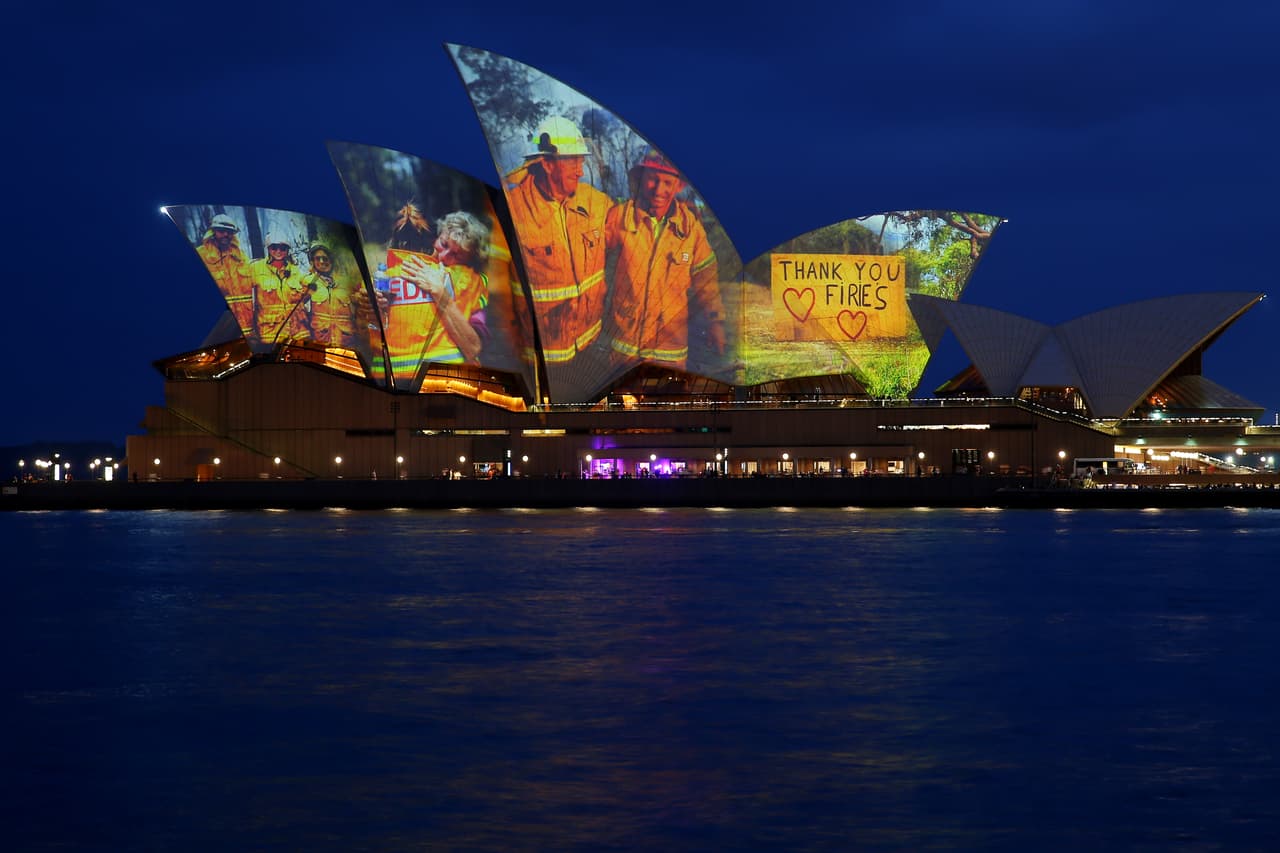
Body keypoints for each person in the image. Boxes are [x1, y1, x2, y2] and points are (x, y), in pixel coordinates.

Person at [504, 116, 610, 369]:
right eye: (573, 161)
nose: (581, 171)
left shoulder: (595, 202)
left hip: (589, 345)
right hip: (542, 359)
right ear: (548, 164)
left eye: (582, 161)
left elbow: (629, 226)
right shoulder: (512, 210)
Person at [604, 149, 724, 371]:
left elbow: (706, 282)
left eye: (667, 182)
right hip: (624, 350)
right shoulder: (620, 217)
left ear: (678, 187)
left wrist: (715, 322)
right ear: (642, 178)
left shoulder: (691, 230)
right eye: (653, 180)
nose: (659, 190)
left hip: (670, 353)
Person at [376, 205, 492, 387]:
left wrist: (440, 293)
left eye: (456, 255)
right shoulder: (392, 272)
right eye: (443, 244)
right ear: (436, 236)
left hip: (450, 384)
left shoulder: (471, 284)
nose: (444, 256)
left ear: (469, 262)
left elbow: (473, 348)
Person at [196, 214, 255, 337]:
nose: (226, 235)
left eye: (229, 232)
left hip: (245, 327)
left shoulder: (240, 255)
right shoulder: (201, 254)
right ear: (213, 231)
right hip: (218, 325)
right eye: (221, 231)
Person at [249, 234, 311, 345]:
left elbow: (308, 291)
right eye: (274, 247)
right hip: (270, 333)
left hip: (298, 333)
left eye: (283, 248)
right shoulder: (255, 268)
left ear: (287, 250)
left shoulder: (295, 270)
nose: (278, 251)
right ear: (268, 248)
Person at [304, 241, 358, 349]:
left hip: (345, 342)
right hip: (320, 341)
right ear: (312, 262)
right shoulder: (308, 281)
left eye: (325, 258)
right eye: (317, 258)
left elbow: (360, 310)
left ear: (331, 260)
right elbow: (297, 309)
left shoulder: (346, 283)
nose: (322, 261)